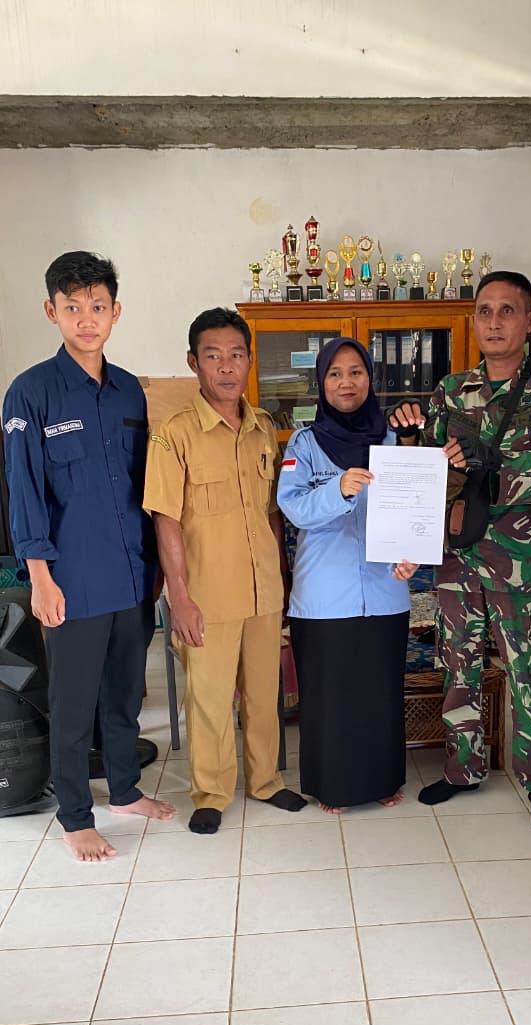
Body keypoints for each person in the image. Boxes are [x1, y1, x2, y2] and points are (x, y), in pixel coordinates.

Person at [390, 271, 531, 828]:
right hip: (458, 555)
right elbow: (426, 469)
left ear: (529, 321)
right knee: (458, 664)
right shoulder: (451, 390)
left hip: (521, 562)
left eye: (507, 310)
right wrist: (408, 433)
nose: (494, 322)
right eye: (485, 311)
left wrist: (491, 465)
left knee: (530, 671)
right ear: (474, 321)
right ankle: (463, 769)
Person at [2, 250, 175, 862]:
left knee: (125, 694)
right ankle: (75, 815)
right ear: (51, 311)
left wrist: (157, 566)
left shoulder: (128, 390)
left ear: (115, 312)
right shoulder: (30, 393)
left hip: (132, 575)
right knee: (73, 704)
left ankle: (124, 790)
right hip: (70, 579)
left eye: (97, 306)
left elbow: (145, 485)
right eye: (72, 306)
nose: (86, 318)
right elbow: (23, 491)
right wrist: (40, 576)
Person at [143, 307, 305, 834]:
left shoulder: (263, 429)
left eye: (236, 354)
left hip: (263, 590)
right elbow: (166, 520)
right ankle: (211, 792)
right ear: (194, 363)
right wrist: (180, 597)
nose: (227, 366)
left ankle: (266, 781)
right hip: (207, 593)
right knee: (210, 700)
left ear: (250, 361)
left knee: (264, 695)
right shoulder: (175, 433)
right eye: (213, 356)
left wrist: (282, 578)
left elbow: (272, 513)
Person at [277, 338, 415, 813]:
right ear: (321, 382)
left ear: (370, 379)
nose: (346, 382)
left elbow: (410, 511)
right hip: (324, 595)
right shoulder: (304, 444)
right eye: (335, 374)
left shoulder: (393, 441)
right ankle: (331, 787)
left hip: (385, 591)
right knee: (329, 699)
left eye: (356, 372)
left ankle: (382, 781)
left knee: (380, 693)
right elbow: (294, 507)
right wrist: (338, 487)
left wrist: (411, 556)